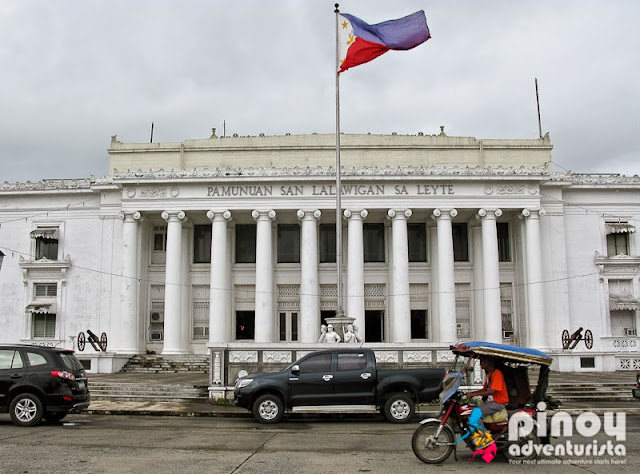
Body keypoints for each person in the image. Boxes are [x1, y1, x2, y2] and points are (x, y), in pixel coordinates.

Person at [467, 356, 509, 420]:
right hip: (491, 402)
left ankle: (482, 430)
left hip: (498, 403)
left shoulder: (497, 373)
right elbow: (484, 390)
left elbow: (492, 391)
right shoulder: (489, 374)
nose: (480, 364)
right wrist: (472, 393)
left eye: (482, 361)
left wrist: (475, 394)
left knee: (475, 413)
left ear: (487, 363)